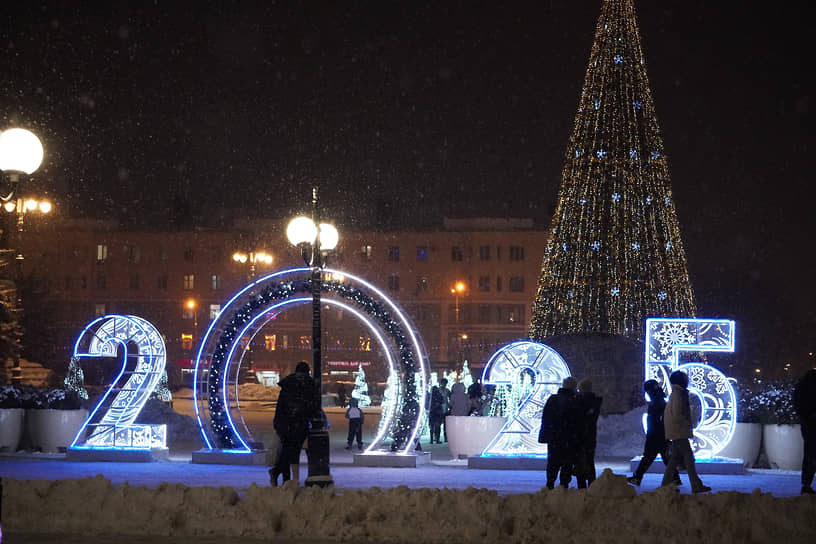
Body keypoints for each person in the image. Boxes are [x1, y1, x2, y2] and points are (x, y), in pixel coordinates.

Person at [661, 370, 711, 493]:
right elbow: (678, 414)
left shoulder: (676, 393)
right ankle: (696, 485)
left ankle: (665, 484)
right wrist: (687, 424)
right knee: (688, 458)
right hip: (679, 431)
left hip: (676, 431)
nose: (687, 381)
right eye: (685, 378)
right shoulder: (679, 395)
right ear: (681, 381)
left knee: (674, 459)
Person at [270, 361, 318, 486]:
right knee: (292, 450)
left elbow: (280, 405)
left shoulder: (288, 383)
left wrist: (278, 422)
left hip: (284, 423)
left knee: (286, 449)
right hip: (298, 422)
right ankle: (280, 474)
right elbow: (312, 405)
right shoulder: (308, 383)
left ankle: (285, 479)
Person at [628, 379, 680, 486]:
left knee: (649, 457)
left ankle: (637, 477)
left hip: (655, 434)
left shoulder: (656, 402)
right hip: (661, 434)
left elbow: (656, 419)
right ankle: (675, 478)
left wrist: (653, 431)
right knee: (664, 458)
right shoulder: (660, 400)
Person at [539, 376, 579, 489]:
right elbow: (576, 421)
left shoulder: (553, 399)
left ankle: (550, 483)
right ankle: (563, 485)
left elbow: (546, 418)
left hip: (554, 437)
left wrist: (546, 434)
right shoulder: (574, 401)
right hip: (568, 438)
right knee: (567, 463)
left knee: (553, 462)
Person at [574, 378, 602, 489]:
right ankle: (591, 484)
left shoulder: (579, 401)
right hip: (590, 435)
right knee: (589, 460)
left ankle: (582, 485)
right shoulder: (595, 402)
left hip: (579, 435)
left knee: (580, 460)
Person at [793, 369, 816, 495]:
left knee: (809, 455)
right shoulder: (809, 386)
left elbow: (798, 404)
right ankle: (807, 484)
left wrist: (806, 416)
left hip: (808, 424)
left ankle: (806, 484)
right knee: (811, 454)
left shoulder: (803, 386)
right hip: (811, 423)